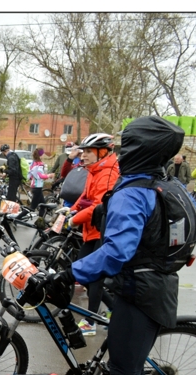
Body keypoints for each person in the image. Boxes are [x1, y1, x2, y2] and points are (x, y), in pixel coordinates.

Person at [31, 116, 196, 375]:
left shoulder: (133, 193)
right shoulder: (166, 184)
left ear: (139, 150)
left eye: (126, 146)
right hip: (156, 285)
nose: (120, 152)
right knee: (126, 370)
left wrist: (69, 273)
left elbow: (116, 252)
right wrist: (167, 253)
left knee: (124, 374)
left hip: (137, 291)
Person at [64, 133, 119, 334]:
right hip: (91, 230)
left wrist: (74, 219)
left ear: (102, 152)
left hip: (102, 231)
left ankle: (91, 321)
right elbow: (85, 196)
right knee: (82, 272)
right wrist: (70, 211)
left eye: (88, 151)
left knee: (94, 276)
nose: (83, 155)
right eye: (83, 151)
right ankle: (113, 308)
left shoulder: (108, 173)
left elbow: (98, 205)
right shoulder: (94, 170)